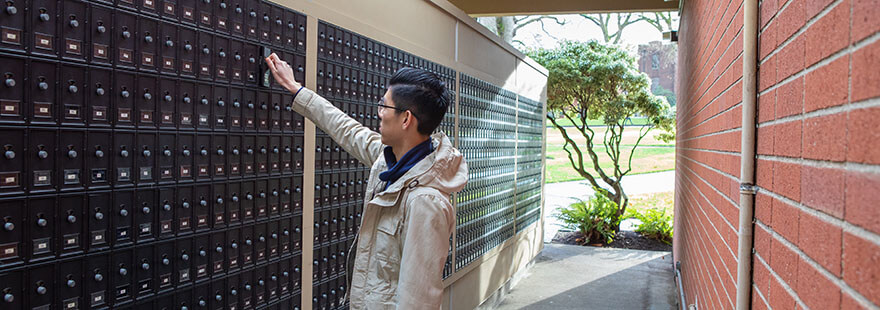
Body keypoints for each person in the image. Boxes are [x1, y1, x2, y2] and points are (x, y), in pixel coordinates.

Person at [265, 53, 468, 309]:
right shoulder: (392, 161)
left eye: (385, 106)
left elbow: (418, 300)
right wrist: (296, 89)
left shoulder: (425, 202)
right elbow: (348, 130)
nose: (380, 113)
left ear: (406, 119)